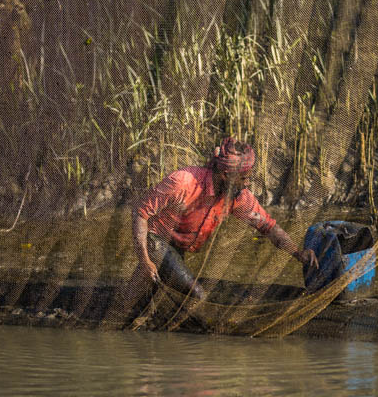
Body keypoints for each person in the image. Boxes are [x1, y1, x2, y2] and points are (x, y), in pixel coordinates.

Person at [121, 137, 318, 321]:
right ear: (226, 175)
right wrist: (145, 259)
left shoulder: (238, 197)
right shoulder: (183, 182)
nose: (247, 183)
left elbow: (268, 227)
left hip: (176, 249)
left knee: (143, 299)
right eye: (244, 178)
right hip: (156, 241)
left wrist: (297, 253)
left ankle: (129, 313)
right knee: (196, 294)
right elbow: (140, 212)